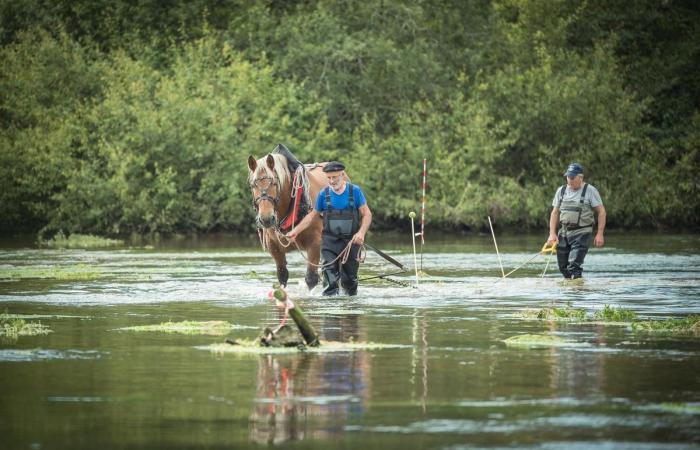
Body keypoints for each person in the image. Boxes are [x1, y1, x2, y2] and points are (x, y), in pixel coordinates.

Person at [287, 161, 372, 295]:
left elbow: (367, 214)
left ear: (342, 175)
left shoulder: (355, 191)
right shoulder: (323, 194)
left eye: (335, 177)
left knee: (349, 283)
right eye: (329, 178)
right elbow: (311, 216)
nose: (331, 181)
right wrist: (295, 231)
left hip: (351, 243)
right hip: (329, 243)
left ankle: (349, 311)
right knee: (330, 283)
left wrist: (361, 233)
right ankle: (329, 312)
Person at [547, 162, 606, 279]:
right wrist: (552, 234)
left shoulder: (590, 191)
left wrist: (600, 234)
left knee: (574, 266)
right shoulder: (561, 190)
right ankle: (571, 293)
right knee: (563, 268)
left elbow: (602, 212)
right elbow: (555, 212)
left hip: (582, 233)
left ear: (581, 177)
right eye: (568, 177)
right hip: (564, 233)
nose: (570, 180)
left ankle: (577, 294)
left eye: (573, 177)